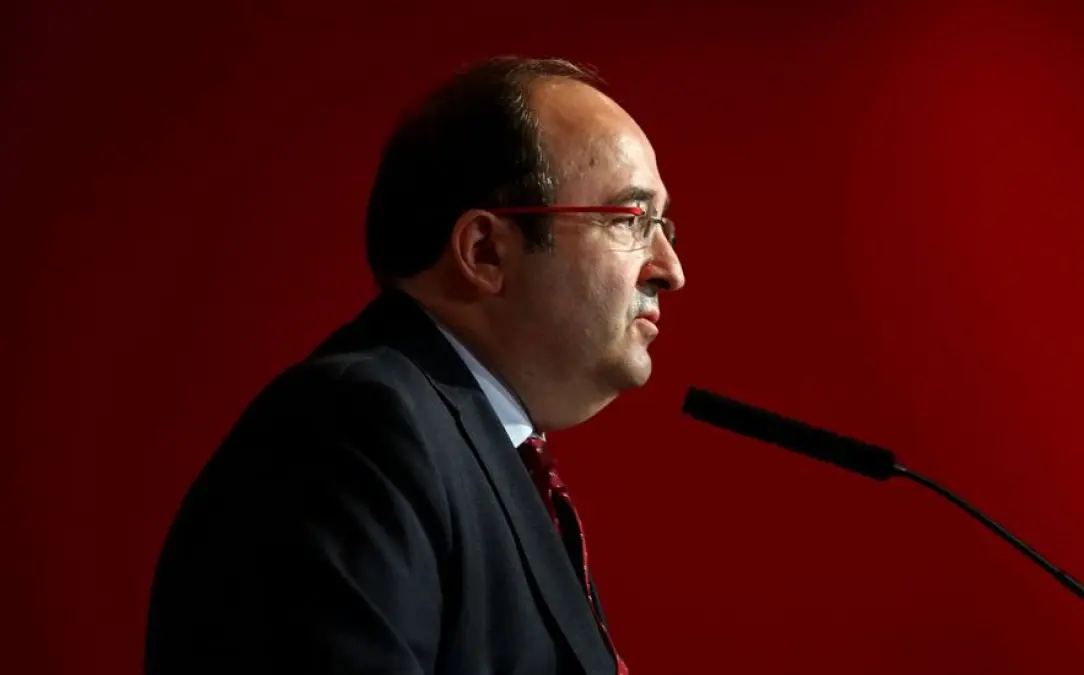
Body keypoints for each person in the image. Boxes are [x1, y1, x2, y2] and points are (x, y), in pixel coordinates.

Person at [143, 56, 685, 675]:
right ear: (485, 251)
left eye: (664, 226)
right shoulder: (356, 430)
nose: (671, 269)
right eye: (630, 220)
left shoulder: (468, 446)